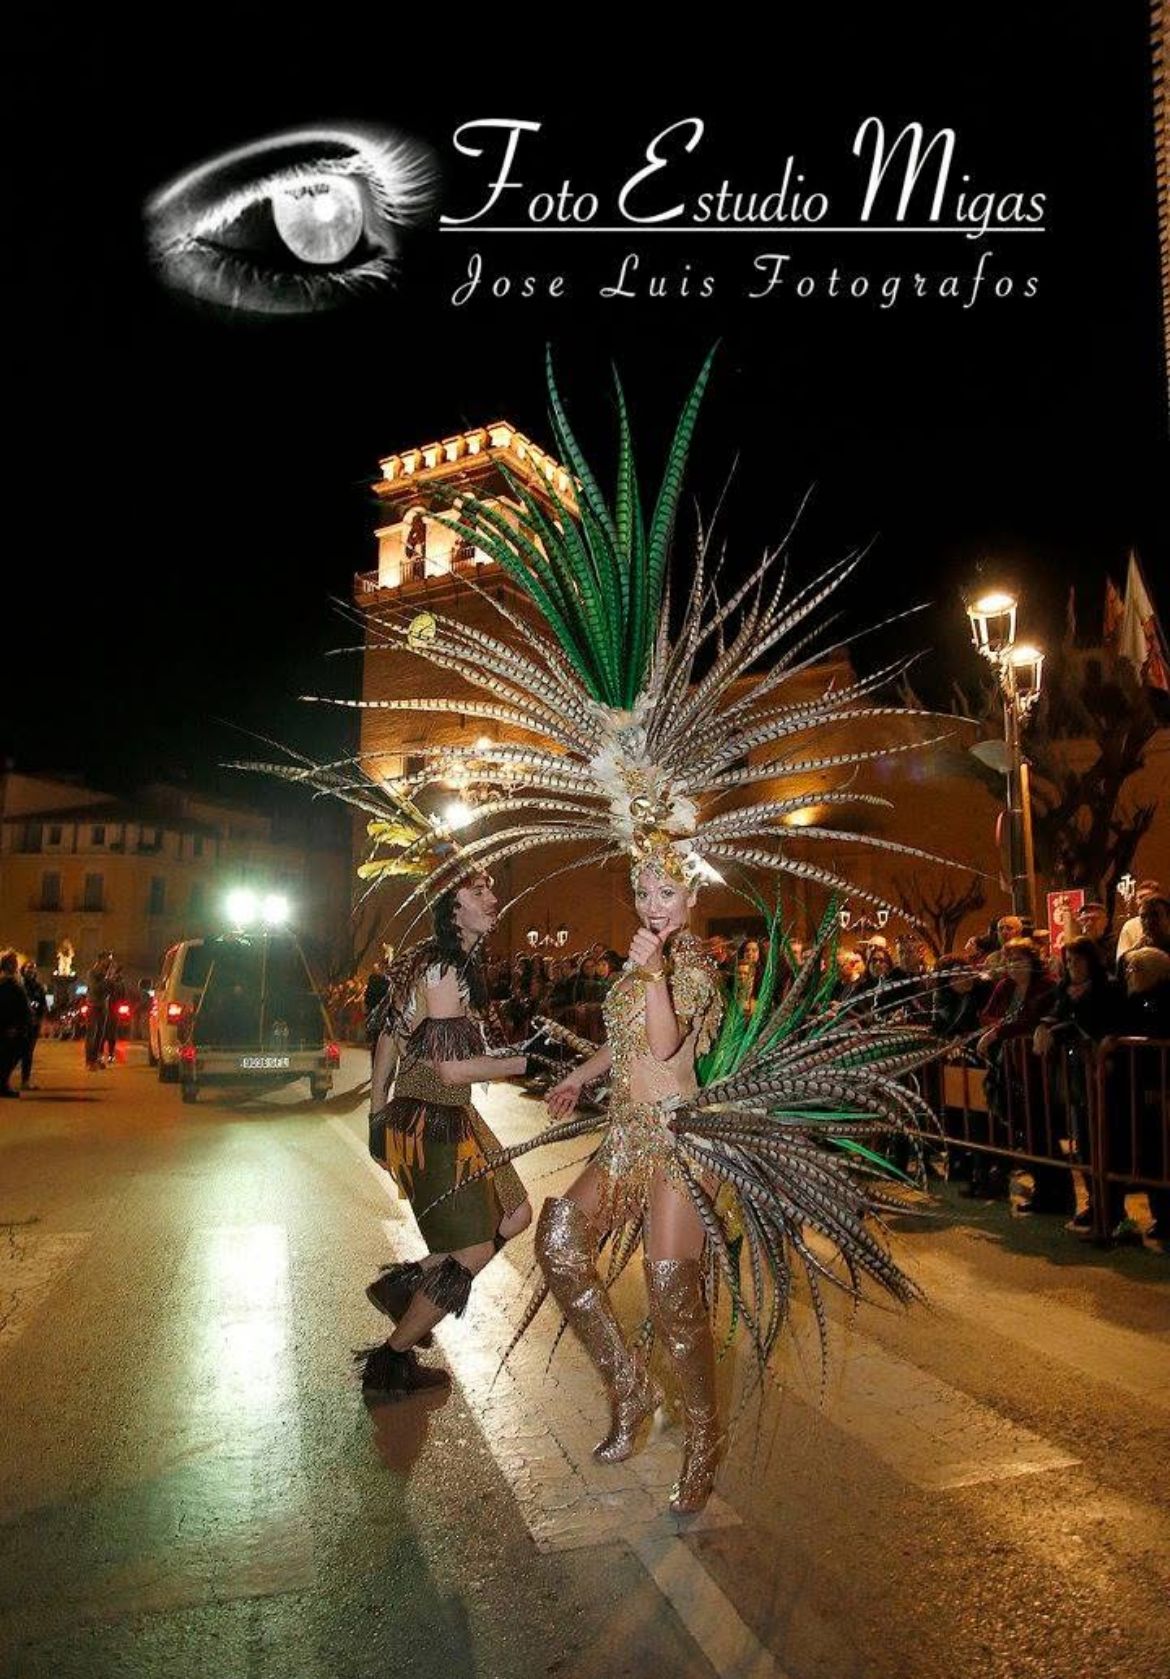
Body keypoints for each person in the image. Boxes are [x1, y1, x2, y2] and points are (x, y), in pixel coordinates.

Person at [540, 857, 727, 1514]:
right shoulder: (646, 961)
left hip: (676, 1139)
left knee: (672, 1294)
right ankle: (630, 1386)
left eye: (668, 891)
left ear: (693, 896)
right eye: (644, 891)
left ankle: (703, 1438)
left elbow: (667, 1046)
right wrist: (580, 1076)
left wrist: (651, 973)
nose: (654, 903)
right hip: (626, 1134)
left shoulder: (693, 967)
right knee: (559, 1239)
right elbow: (627, 1044)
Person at [358, 874, 536, 1398]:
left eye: (490, 890)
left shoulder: (444, 961)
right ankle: (391, 1360)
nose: (493, 898)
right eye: (478, 893)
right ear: (453, 910)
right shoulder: (441, 967)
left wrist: (376, 1109)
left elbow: (390, 1032)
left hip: (452, 1113)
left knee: (515, 1215)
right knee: (474, 1248)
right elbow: (451, 1069)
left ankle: (406, 1285)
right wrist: (531, 1061)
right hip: (430, 1120)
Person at [0, 951, 32, 1098]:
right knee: (9, 1055)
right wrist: (11, 1026)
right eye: (13, 962)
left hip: (16, 1026)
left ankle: (3, 1083)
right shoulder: (5, 982)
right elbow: (7, 1006)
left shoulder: (14, 980)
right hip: (9, 1027)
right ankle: (2, 1084)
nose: (16, 965)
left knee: (13, 1053)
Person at [1116, 880, 1163, 963]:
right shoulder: (1130, 926)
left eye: (1149, 896)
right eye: (1141, 897)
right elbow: (1121, 959)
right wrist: (1138, 950)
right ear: (1136, 901)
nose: (1144, 900)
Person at [19, 961, 47, 1090]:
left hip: (33, 1023)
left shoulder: (38, 987)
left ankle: (25, 1080)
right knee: (14, 1053)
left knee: (28, 1052)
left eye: (33, 968)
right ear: (23, 970)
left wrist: (39, 1019)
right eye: (28, 968)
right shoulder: (19, 985)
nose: (31, 970)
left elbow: (43, 1004)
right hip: (20, 1023)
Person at [85, 952, 113, 1071]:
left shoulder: (105, 974)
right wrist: (107, 980)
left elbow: (111, 990)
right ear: (101, 960)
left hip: (103, 1006)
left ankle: (97, 1058)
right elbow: (95, 988)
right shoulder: (92, 973)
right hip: (93, 1006)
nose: (109, 962)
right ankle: (89, 1061)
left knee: (101, 1035)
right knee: (93, 1034)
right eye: (108, 959)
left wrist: (111, 981)